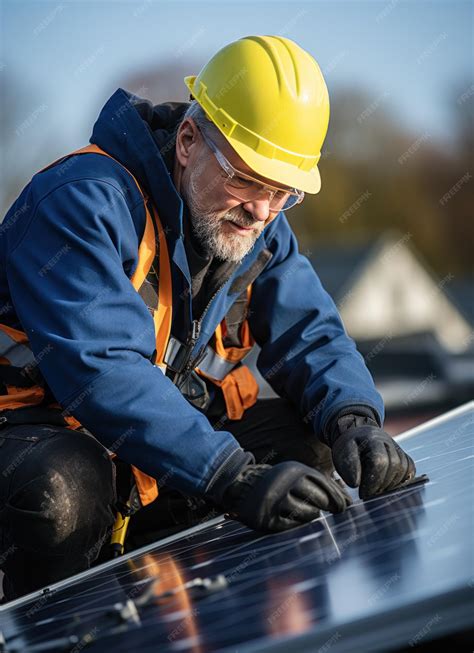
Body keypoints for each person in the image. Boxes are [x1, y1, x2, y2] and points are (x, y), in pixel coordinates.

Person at [0, 35, 415, 600]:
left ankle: (211, 612)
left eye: (283, 192)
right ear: (190, 141)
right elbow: (104, 372)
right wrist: (230, 477)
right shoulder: (80, 202)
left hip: (141, 451)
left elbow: (310, 332)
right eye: (245, 178)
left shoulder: (257, 227)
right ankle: (48, 624)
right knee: (63, 491)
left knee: (311, 449)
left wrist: (355, 419)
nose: (261, 211)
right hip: (32, 440)